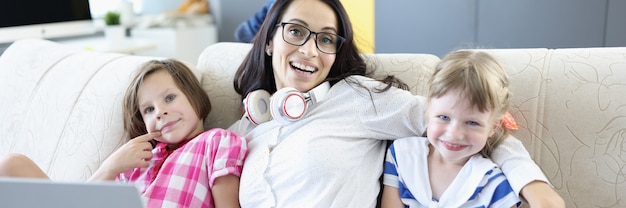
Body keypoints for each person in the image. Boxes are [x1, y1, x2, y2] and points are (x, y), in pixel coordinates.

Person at [229, 0, 565, 207]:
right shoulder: (241, 132)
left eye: (326, 39)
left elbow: (469, 124)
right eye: (296, 32)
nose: (310, 50)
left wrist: (534, 186)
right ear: (269, 40)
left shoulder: (357, 97)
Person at [0, 59, 247, 208]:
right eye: (148, 109)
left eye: (169, 98)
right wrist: (111, 167)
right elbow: (81, 203)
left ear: (195, 96)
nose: (159, 112)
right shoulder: (135, 161)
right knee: (12, 165)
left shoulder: (216, 141)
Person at [382, 50, 522, 207]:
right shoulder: (402, 156)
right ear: (428, 112)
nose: (454, 134)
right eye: (444, 117)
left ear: (493, 128)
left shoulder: (496, 186)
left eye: (472, 123)